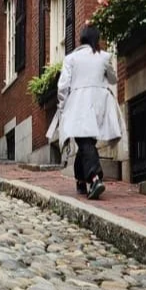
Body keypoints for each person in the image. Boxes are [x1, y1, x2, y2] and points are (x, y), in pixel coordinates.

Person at [47, 25, 122, 200]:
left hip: (78, 105)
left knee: (85, 142)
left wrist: (62, 106)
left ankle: (94, 178)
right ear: (96, 39)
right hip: (99, 105)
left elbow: (63, 86)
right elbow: (113, 79)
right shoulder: (104, 57)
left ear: (81, 40)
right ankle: (81, 179)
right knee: (86, 142)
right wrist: (105, 66)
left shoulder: (71, 59)